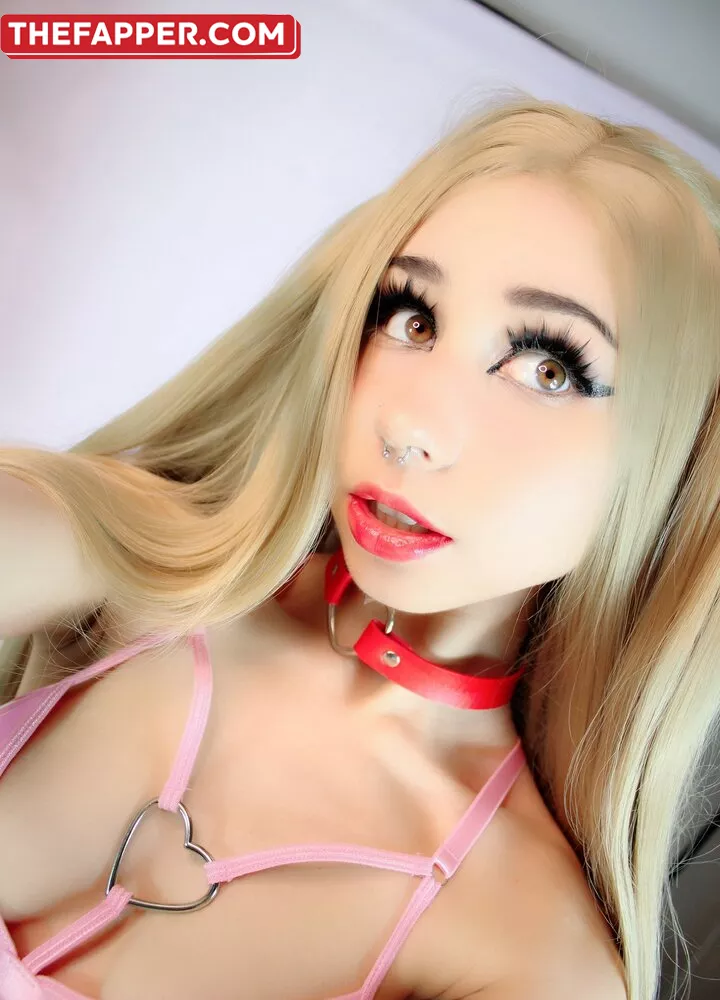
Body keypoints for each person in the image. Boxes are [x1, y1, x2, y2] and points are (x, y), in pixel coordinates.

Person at [0, 97, 718, 1000]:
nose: (410, 427)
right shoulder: (139, 562)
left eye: (549, 367)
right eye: (410, 317)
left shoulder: (531, 959)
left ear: (675, 461)